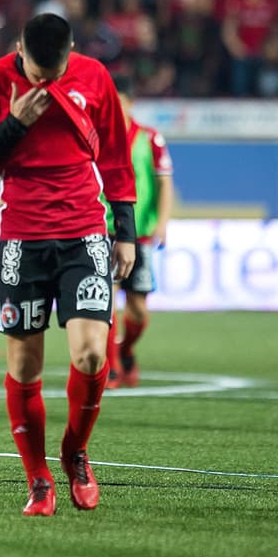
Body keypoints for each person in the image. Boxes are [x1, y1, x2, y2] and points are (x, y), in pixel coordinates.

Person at [0, 13, 136, 516]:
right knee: (24, 365)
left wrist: (126, 232)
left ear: (71, 52)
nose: (44, 82)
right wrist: (15, 123)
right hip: (22, 240)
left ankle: (75, 451)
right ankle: (37, 477)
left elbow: (117, 158)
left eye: (52, 74)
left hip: (84, 232)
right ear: (19, 50)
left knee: (92, 356)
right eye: (36, 73)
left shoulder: (94, 76)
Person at [105, 75, 173, 390]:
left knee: (137, 307)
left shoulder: (150, 139)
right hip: (102, 228)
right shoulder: (97, 136)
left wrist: (163, 221)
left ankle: (126, 348)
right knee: (104, 299)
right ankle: (112, 367)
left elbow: (163, 182)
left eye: (120, 102)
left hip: (140, 232)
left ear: (131, 103)